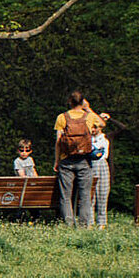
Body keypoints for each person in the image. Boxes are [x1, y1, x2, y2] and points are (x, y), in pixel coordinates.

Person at [53, 91, 107, 228]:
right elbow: (102, 124)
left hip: (66, 161)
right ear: (82, 102)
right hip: (84, 161)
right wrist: (87, 108)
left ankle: (69, 225)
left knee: (66, 196)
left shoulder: (62, 117)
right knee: (84, 196)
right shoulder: (88, 117)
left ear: (69, 102)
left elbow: (58, 141)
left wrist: (57, 161)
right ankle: (83, 226)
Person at [91, 128, 113, 228]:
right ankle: (89, 222)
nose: (93, 129)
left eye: (95, 127)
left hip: (101, 164)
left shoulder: (104, 140)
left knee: (102, 194)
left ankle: (102, 223)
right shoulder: (87, 139)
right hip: (89, 166)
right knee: (90, 196)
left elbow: (101, 154)